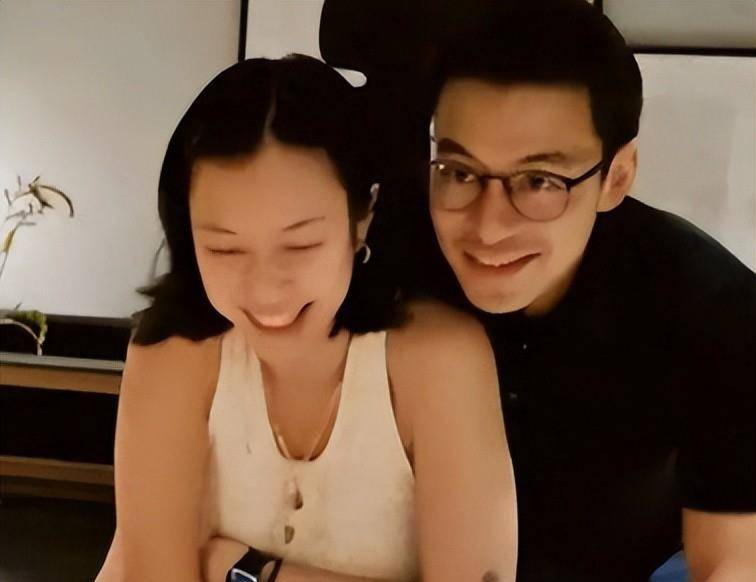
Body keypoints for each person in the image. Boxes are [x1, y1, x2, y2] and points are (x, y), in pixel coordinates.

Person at [95, 55, 517, 582]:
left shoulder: (437, 363)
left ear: (361, 218)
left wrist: (248, 572)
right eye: (225, 250)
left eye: (300, 246)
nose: (265, 290)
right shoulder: (173, 351)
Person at [409, 1, 756, 580]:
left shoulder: (715, 313)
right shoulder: (378, 259)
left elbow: (730, 565)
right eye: (460, 172)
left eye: (539, 181)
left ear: (616, 178)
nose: (488, 227)